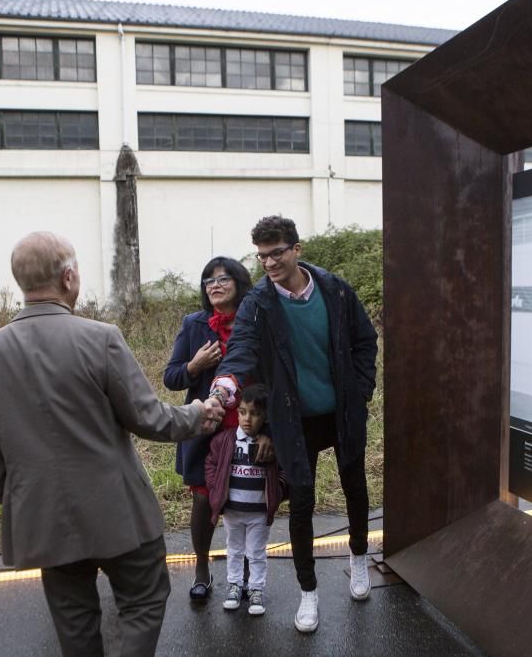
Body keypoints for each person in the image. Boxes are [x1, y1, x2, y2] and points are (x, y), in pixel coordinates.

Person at [0, 232, 224, 657]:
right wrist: (198, 413)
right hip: (118, 509)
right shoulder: (100, 337)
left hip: (42, 513)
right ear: (68, 277)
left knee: (74, 621)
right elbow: (149, 417)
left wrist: (18, 497)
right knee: (143, 600)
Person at [207, 215, 378, 633]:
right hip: (293, 418)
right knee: (301, 503)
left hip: (340, 412)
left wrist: (360, 390)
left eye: (277, 253)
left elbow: (364, 340)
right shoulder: (259, 303)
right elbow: (241, 352)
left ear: (296, 249)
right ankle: (309, 593)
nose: (268, 263)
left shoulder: (334, 289)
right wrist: (221, 391)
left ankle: (358, 558)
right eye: (262, 256)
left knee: (356, 487)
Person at [162, 255, 270, 601]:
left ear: (239, 283)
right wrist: (194, 366)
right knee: (203, 502)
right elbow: (172, 377)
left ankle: (250, 575)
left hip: (248, 428)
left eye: (223, 279)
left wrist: (270, 429)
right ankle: (202, 569)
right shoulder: (195, 324)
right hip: (206, 430)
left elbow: (271, 377)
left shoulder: (255, 322)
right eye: (209, 281)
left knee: (250, 500)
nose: (215, 286)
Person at [204, 384, 285, 616]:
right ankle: (234, 586)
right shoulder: (225, 440)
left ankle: (256, 589)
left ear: (265, 416)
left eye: (255, 413)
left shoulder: (270, 444)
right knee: (234, 549)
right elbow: (211, 463)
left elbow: (283, 469)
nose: (247, 419)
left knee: (257, 552)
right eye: (242, 412)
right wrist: (214, 488)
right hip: (232, 511)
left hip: (259, 511)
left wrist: (277, 490)